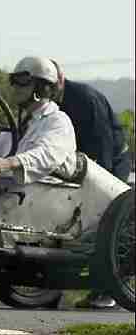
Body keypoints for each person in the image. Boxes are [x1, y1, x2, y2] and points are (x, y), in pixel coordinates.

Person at [50, 59, 130, 309]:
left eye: (50, 86)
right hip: (78, 162)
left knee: (108, 220)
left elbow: (104, 143)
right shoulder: (50, 103)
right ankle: (53, 286)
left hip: (111, 161)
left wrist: (102, 181)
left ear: (60, 80)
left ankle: (107, 290)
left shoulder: (84, 98)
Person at [0, 56, 76, 185]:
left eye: (22, 81)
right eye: (13, 80)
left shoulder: (58, 121)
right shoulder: (17, 123)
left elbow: (47, 154)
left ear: (42, 87)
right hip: (12, 195)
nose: (15, 86)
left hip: (49, 197)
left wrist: (10, 163)